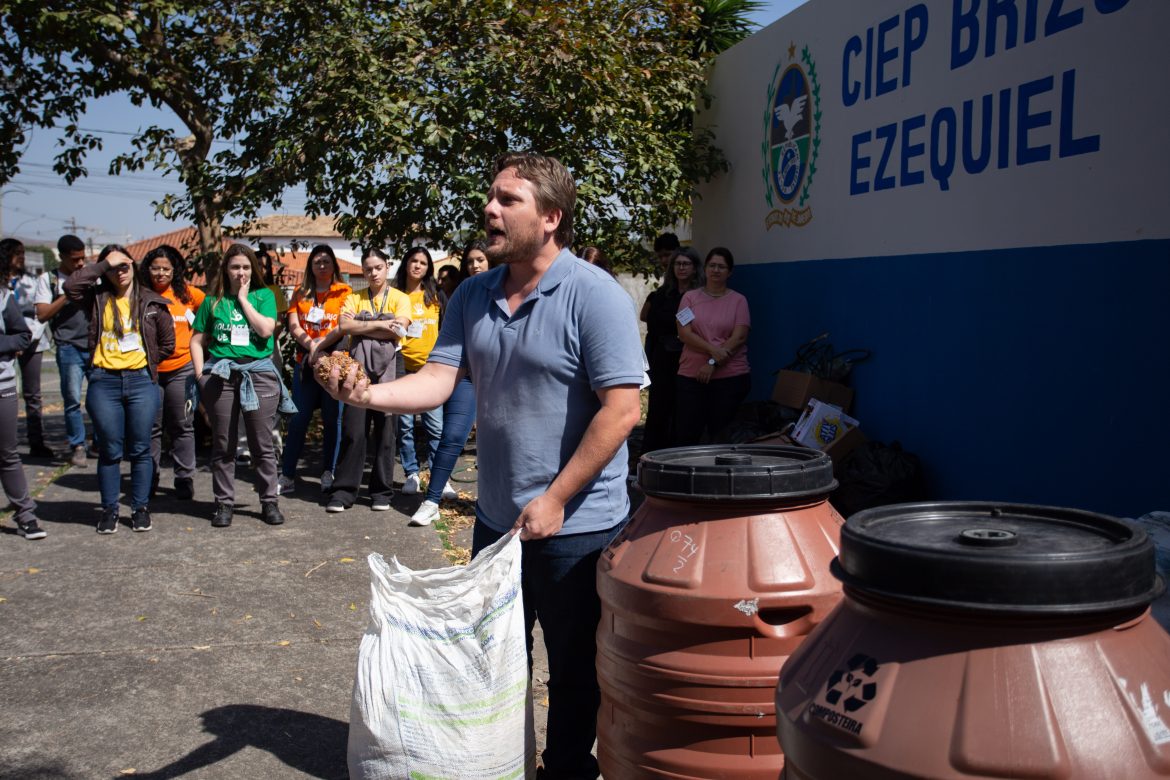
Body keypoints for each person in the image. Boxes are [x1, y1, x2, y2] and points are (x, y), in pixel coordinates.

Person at [325, 151, 644, 778]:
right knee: (494, 660)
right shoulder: (472, 293)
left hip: (576, 527)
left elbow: (621, 410)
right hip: (498, 522)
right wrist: (367, 394)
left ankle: (569, 770)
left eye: (507, 200)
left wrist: (556, 497)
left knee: (576, 670)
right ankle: (502, 763)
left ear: (551, 217)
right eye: (490, 198)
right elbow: (440, 379)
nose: (489, 210)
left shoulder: (593, 295)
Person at [65, 245, 175, 533]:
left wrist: (144, 362)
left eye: (124, 264)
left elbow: (167, 343)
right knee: (110, 450)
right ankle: (110, 510)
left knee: (140, 448)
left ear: (133, 266)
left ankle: (140, 508)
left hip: (141, 381)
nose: (120, 271)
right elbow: (70, 286)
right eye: (113, 267)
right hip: (104, 381)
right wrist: (102, 265)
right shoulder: (96, 298)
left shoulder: (152, 301)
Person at [190, 243, 294, 528]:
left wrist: (244, 300)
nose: (241, 273)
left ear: (254, 270)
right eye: (235, 267)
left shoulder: (264, 296)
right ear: (226, 269)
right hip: (222, 376)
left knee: (263, 443)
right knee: (224, 444)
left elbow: (264, 330)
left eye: (246, 267)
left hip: (258, 374)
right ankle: (224, 503)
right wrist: (201, 376)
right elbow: (197, 341)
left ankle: (269, 501)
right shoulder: (212, 301)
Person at [408, 239, 491, 527]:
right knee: (453, 436)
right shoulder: (463, 295)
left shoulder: (509, 291)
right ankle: (431, 501)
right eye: (470, 261)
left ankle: (499, 503)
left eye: (481, 259)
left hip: (499, 379)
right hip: (465, 375)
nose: (475, 265)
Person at [327, 247, 411, 512]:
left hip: (391, 367)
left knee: (386, 432)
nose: (373, 273)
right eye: (368, 269)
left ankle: (382, 493)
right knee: (354, 430)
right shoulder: (354, 298)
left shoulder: (400, 298)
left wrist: (363, 327)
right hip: (357, 367)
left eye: (378, 267)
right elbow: (344, 327)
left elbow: (399, 330)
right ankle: (343, 492)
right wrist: (381, 324)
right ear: (362, 271)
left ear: (387, 267)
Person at [278, 244, 350, 495]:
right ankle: (287, 474)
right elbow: (293, 324)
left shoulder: (345, 291)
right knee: (298, 419)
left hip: (333, 365)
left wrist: (320, 345)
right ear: (311, 266)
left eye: (326, 261)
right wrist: (311, 346)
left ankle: (328, 471)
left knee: (333, 420)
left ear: (334, 265)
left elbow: (343, 326)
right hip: (306, 365)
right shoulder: (301, 292)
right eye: (317, 262)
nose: (322, 265)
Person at [143, 244, 205, 500]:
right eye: (155, 268)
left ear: (174, 271)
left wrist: (201, 338)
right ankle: (149, 476)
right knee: (151, 427)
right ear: (147, 270)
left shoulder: (188, 294)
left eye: (165, 269)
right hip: (149, 370)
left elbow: (211, 310)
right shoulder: (140, 294)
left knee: (182, 425)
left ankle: (184, 478)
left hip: (183, 368)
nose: (160, 273)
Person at [674, 247, 752, 446]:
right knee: (687, 433)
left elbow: (740, 336)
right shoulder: (690, 298)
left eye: (722, 267)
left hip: (730, 378)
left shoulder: (738, 300)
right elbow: (685, 333)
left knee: (721, 436)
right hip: (691, 377)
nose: (716, 270)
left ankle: (720, 477)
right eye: (712, 265)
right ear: (705, 268)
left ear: (730, 272)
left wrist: (712, 362)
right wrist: (714, 351)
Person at [391, 246, 446, 495]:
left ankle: (439, 477)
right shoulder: (395, 295)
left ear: (428, 268)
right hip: (402, 367)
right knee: (404, 426)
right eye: (413, 261)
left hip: (431, 370)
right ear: (406, 264)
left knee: (435, 427)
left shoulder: (435, 296)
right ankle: (411, 473)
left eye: (423, 263)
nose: (417, 266)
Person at [34, 234, 92, 467]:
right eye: (75, 259)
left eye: (82, 259)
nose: (79, 264)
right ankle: (77, 445)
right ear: (62, 257)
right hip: (68, 347)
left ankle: (100, 441)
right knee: (71, 399)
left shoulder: (90, 277)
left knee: (101, 398)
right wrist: (67, 294)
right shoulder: (48, 280)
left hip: (94, 345)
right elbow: (42, 314)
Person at [0, 245, 45, 539]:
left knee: (7, 454)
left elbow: (23, 335)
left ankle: (25, 514)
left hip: (2, 387)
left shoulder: (4, 296)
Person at [639, 246, 701, 454]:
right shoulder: (661, 295)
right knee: (658, 409)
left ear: (695, 268)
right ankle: (650, 457)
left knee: (683, 411)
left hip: (690, 358)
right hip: (662, 358)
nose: (681, 268)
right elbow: (647, 319)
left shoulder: (701, 296)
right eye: (678, 263)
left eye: (686, 264)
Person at [1, 239, 52, 457]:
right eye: (17, 253)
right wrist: (11, 344)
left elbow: (39, 315)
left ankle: (36, 441)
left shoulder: (32, 281)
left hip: (33, 342)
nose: (22, 258)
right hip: (5, 347)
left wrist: (25, 341)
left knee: (33, 394)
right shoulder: (3, 284)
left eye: (23, 253)